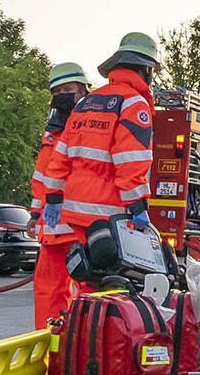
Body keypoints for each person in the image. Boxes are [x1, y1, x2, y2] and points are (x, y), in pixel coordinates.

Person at [39, 32, 157, 273]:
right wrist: (137, 206)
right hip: (108, 213)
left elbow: (61, 154)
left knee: (86, 284)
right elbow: (130, 160)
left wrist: (52, 197)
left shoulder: (86, 103)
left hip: (75, 213)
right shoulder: (134, 103)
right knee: (109, 289)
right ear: (146, 70)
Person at [31, 61, 92, 329]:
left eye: (67, 89)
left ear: (83, 90)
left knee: (88, 292)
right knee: (46, 292)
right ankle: (47, 348)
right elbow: (42, 175)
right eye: (56, 92)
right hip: (53, 227)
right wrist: (35, 213)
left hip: (83, 226)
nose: (61, 96)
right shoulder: (53, 130)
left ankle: (86, 348)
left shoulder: (93, 123)